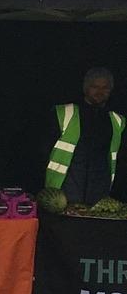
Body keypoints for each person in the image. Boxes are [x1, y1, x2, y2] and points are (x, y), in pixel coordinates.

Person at [44, 67, 123, 207]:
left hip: (98, 195)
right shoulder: (63, 113)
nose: (100, 91)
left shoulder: (117, 121)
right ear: (85, 88)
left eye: (105, 88)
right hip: (63, 194)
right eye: (94, 87)